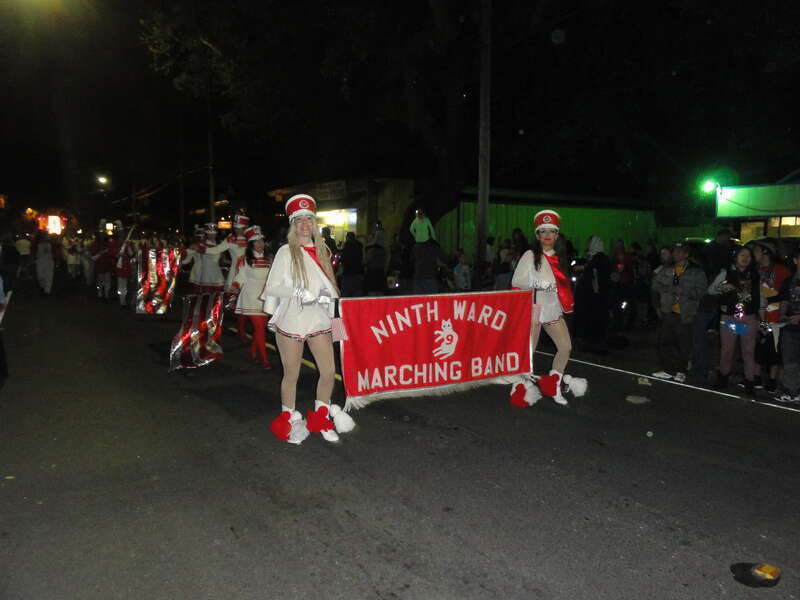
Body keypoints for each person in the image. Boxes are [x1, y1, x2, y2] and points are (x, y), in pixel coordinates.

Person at [262, 194, 355, 444]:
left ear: (314, 224)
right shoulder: (285, 251)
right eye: (299, 220)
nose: (304, 224)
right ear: (293, 225)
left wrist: (327, 295)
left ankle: (321, 417)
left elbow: (330, 286)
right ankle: (290, 419)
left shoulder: (323, 251)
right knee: (291, 374)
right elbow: (272, 287)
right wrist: (296, 291)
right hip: (292, 320)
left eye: (308, 219)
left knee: (328, 371)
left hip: (319, 320)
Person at [510, 210, 587, 405]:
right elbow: (516, 281)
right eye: (542, 231)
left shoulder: (560, 258)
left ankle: (553, 386)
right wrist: (537, 284)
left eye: (551, 231)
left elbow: (563, 287)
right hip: (534, 310)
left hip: (553, 310)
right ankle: (519, 390)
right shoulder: (530, 255)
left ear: (557, 235)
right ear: (537, 235)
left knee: (565, 347)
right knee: (528, 353)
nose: (547, 235)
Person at [707, 246, 761, 395]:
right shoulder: (726, 273)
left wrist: (760, 316)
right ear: (735, 257)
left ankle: (749, 382)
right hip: (730, 317)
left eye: (748, 256)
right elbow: (711, 290)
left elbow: (761, 296)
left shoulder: (755, 274)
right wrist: (722, 287)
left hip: (748, 318)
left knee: (748, 351)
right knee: (728, 350)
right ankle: (723, 377)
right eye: (742, 255)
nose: (745, 258)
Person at [651, 242, 707, 382]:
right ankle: (668, 369)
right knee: (664, 342)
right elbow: (655, 284)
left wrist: (685, 291)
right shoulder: (667, 269)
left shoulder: (696, 271)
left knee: (683, 344)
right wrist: (668, 289)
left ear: (686, 254)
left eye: (679, 251)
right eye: (674, 251)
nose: (675, 254)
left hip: (685, 313)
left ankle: (681, 370)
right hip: (668, 311)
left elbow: (701, 291)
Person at [196, 212, 251, 337]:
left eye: (240, 227)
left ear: (245, 227)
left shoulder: (250, 239)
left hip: (250, 275)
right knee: (227, 303)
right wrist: (203, 249)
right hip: (235, 275)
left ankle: (241, 330)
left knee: (246, 303)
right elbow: (217, 249)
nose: (237, 230)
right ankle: (211, 325)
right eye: (236, 227)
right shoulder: (231, 239)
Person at [231, 225, 273, 370]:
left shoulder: (269, 258)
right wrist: (235, 285)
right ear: (251, 244)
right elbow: (240, 275)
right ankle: (265, 359)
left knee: (261, 328)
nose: (260, 244)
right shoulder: (244, 259)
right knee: (260, 329)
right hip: (250, 296)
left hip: (265, 297)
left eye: (261, 241)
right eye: (256, 241)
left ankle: (252, 351)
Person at [573, 235, 612, 354]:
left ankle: (596, 345)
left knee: (596, 320)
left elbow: (595, 274)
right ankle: (593, 343)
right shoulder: (594, 257)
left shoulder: (599, 258)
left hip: (597, 296)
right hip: (595, 296)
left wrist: (582, 268)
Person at [774, 247, 800, 403]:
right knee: (790, 360)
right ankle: (792, 391)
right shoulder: (789, 281)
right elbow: (784, 300)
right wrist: (783, 315)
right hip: (790, 327)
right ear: (796, 261)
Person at [340, 231, 365, 297]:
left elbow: (343, 259)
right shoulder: (359, 246)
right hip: (359, 274)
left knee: (346, 296)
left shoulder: (347, 246)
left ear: (347, 237)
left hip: (348, 274)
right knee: (357, 296)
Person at [90, 229, 113, 299]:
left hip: (108, 264)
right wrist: (101, 253)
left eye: (103, 234)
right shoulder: (95, 243)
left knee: (107, 280)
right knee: (100, 280)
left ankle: (106, 293)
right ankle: (100, 291)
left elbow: (112, 253)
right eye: (101, 234)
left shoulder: (109, 243)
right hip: (99, 264)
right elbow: (93, 256)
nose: (102, 236)